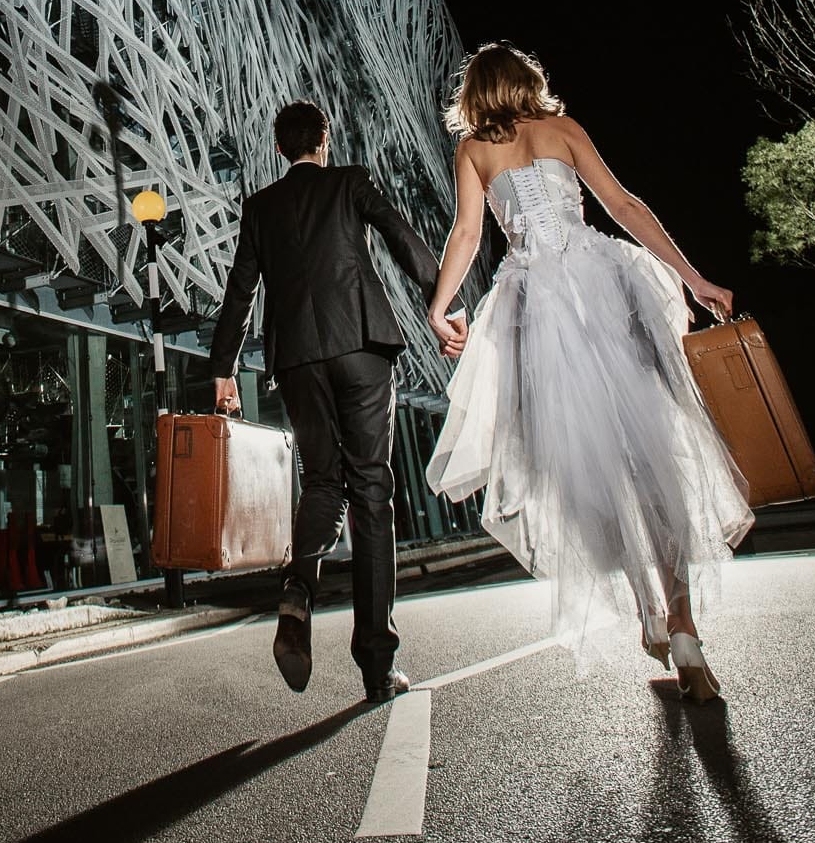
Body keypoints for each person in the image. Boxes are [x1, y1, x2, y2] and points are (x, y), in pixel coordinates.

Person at [425, 44, 754, 702]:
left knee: (590, 470)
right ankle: (682, 626)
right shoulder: (563, 130)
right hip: (601, 288)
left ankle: (648, 615)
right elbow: (625, 207)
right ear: (527, 83)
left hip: (537, 310)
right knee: (650, 454)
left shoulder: (474, 153)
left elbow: (466, 234)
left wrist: (439, 308)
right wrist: (692, 278)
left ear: (474, 96)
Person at [210, 100, 457, 704]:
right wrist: (440, 302)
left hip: (297, 360)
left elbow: (239, 292)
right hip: (362, 346)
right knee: (372, 491)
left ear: (278, 149)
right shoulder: (350, 182)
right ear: (325, 139)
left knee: (324, 482)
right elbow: (401, 236)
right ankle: (377, 665)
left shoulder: (260, 208)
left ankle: (298, 589)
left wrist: (222, 372)